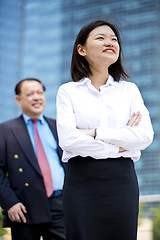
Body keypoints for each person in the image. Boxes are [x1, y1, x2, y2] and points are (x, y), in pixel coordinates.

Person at [56, 20, 154, 240]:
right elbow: (68, 140)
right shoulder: (68, 92)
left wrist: (95, 132)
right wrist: (120, 144)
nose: (110, 42)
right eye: (100, 38)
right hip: (81, 180)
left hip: (121, 181)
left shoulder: (129, 91)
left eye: (114, 39)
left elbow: (145, 136)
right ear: (81, 49)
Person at [0, 78, 65, 240]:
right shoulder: (6, 130)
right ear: (18, 99)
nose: (36, 97)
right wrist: (9, 202)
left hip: (61, 206)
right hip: (24, 209)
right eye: (30, 94)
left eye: (40, 92)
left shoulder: (58, 127)